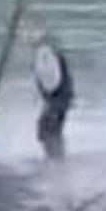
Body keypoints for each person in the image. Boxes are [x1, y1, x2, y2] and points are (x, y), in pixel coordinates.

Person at [32, 35, 74, 163]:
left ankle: (57, 162)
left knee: (47, 129)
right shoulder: (52, 55)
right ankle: (56, 160)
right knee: (50, 130)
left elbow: (52, 82)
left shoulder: (46, 55)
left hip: (57, 98)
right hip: (59, 98)